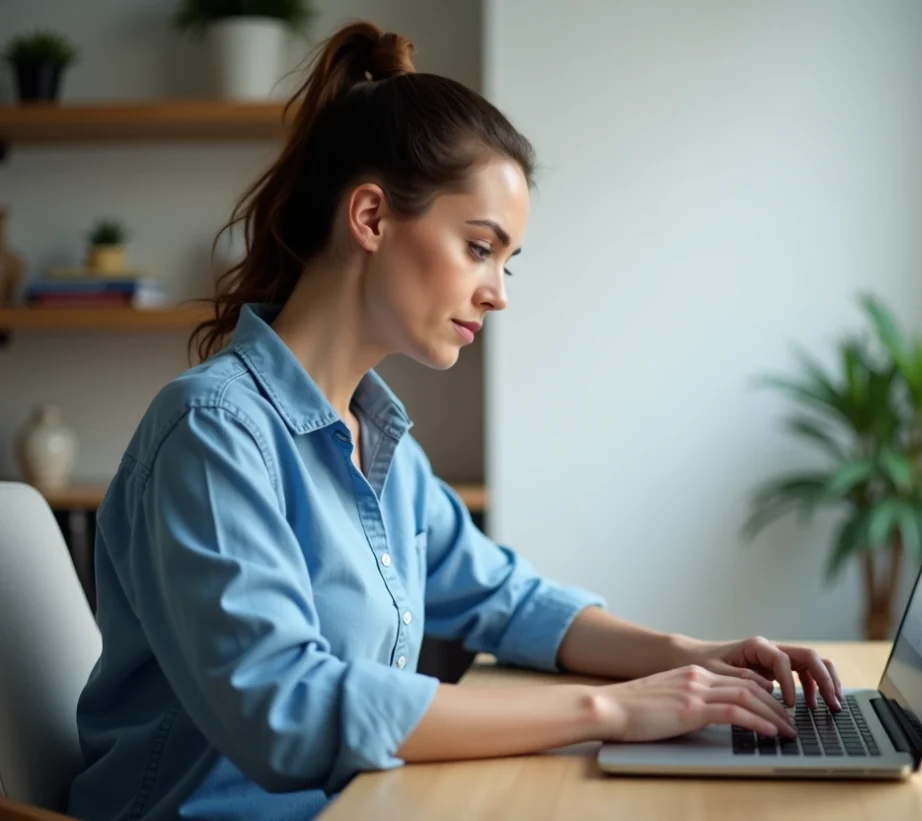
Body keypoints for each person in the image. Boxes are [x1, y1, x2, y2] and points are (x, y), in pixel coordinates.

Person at [67, 21, 843, 821]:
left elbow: (508, 600)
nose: (499, 291)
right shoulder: (213, 432)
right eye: (480, 248)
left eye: (507, 262)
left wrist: (693, 657)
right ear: (370, 217)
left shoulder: (384, 451)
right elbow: (287, 710)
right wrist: (612, 709)